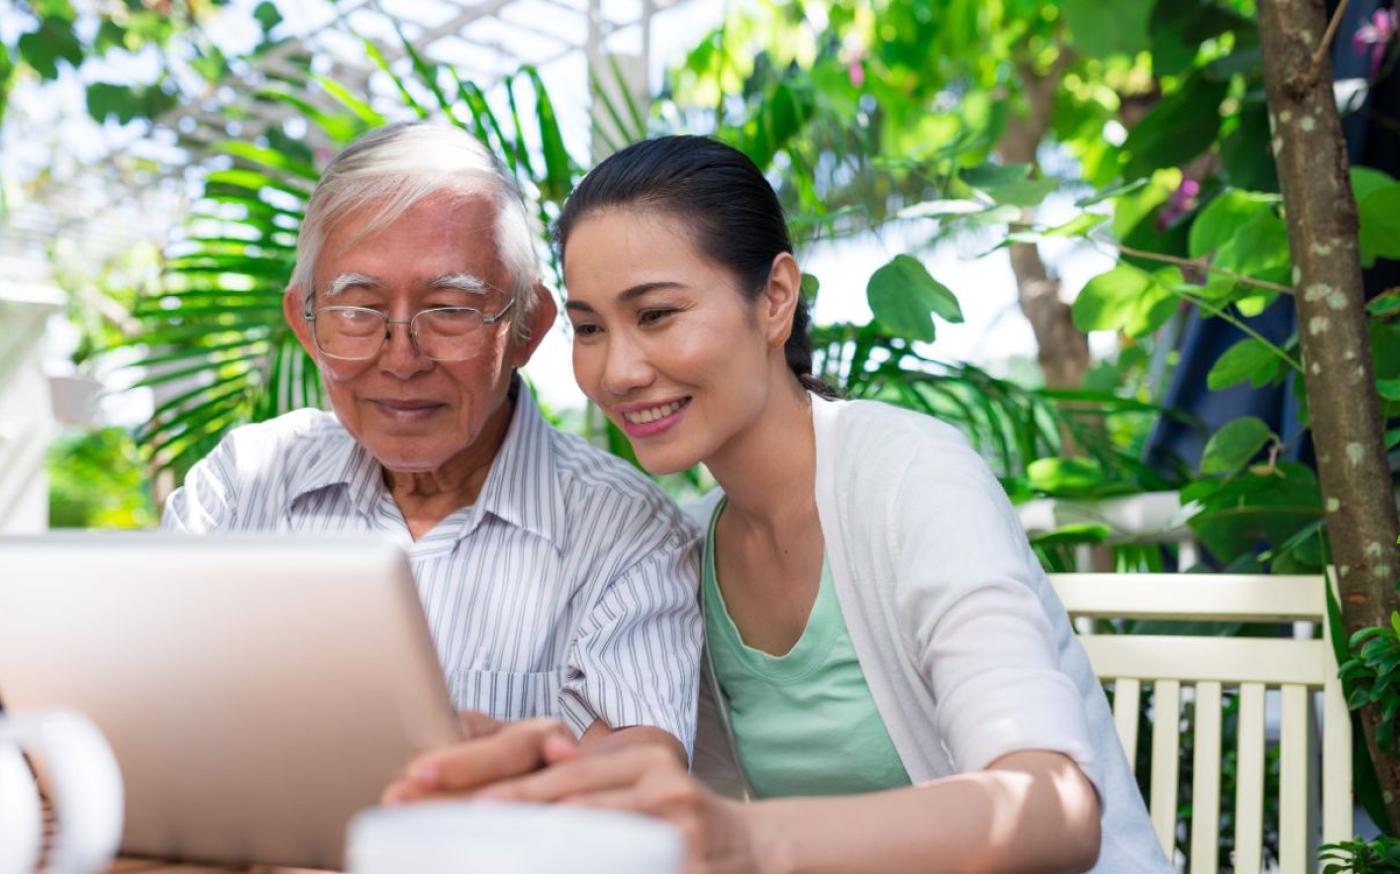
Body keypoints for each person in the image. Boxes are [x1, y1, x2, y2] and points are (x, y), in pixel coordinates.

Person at [386, 136, 1171, 872]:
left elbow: (1054, 808)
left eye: (656, 314)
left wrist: (745, 837)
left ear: (774, 300)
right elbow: (681, 823)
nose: (616, 369)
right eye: (589, 327)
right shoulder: (684, 547)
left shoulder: (910, 477)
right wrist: (538, 772)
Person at [162, 122, 702, 763]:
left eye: (449, 309)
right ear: (305, 326)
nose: (401, 358)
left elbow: (635, 792)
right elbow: (136, 708)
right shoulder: (239, 485)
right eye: (357, 310)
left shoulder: (624, 535)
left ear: (528, 328)